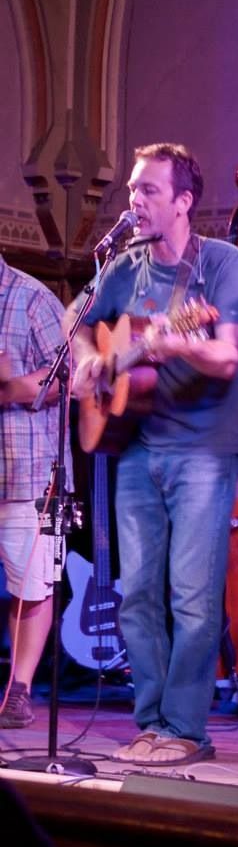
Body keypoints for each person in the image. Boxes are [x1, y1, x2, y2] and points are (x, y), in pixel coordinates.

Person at [71, 142, 238, 764]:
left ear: (183, 202)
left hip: (202, 451)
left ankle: (186, 730)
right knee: (138, 595)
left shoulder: (224, 264)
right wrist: (90, 361)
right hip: (135, 447)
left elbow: (228, 356)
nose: (134, 201)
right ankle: (150, 722)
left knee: (193, 596)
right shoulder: (124, 266)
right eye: (131, 189)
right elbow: (75, 321)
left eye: (148, 190)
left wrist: (179, 346)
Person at [0, 254, 72, 728]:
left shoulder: (31, 299)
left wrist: (9, 388)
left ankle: (19, 688)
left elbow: (72, 376)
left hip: (25, 472)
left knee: (30, 586)